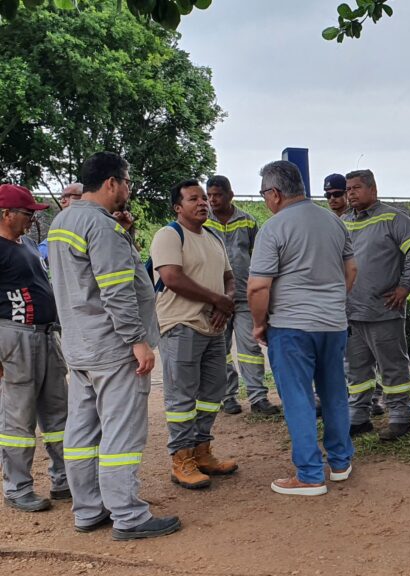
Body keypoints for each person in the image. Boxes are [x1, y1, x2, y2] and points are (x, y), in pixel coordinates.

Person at [48, 151, 180, 539]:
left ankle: (88, 509)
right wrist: (137, 341)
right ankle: (128, 516)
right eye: (126, 182)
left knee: (82, 432)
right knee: (121, 434)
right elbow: (116, 290)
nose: (128, 189)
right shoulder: (100, 227)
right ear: (111, 183)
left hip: (80, 344)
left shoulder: (63, 221)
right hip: (113, 348)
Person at [248, 160, 357, 496]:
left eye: (264, 193)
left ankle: (309, 475)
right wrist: (332, 302)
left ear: (276, 193)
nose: (265, 200)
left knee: (298, 398)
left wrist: (258, 323)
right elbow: (351, 270)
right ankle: (340, 463)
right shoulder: (334, 222)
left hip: (291, 326)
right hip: (333, 324)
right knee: (335, 393)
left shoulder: (274, 228)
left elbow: (257, 287)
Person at [152, 180, 239, 490]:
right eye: (193, 199)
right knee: (182, 398)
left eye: (204, 198)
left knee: (212, 393)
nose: (203, 202)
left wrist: (225, 303)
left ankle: (202, 451)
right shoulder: (169, 235)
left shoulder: (214, 237)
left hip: (214, 327)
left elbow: (229, 278)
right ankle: (181, 459)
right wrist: (217, 300)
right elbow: (172, 277)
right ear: (178, 207)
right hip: (180, 326)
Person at [343, 169, 410, 441]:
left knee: (392, 367)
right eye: (348, 189)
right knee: (357, 369)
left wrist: (406, 285)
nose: (351, 193)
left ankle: (400, 417)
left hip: (384, 310)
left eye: (356, 187)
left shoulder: (394, 218)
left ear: (373, 189)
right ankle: (359, 416)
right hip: (351, 312)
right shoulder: (343, 221)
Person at [0, 184, 68, 513]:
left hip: (45, 336)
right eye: (28, 214)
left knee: (58, 413)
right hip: (15, 339)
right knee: (18, 420)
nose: (32, 220)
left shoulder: (26, 243)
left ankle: (64, 479)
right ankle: (17, 488)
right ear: (6, 214)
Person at [205, 175, 279, 416]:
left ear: (230, 195)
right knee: (221, 350)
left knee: (251, 348)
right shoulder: (203, 222)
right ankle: (228, 397)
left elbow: (257, 255)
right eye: (210, 195)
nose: (212, 199)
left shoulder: (247, 221)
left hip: (245, 296)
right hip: (216, 298)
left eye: (217, 194)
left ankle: (258, 397)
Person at [324, 173, 384, 417]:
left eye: (338, 193)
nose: (334, 199)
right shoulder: (329, 222)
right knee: (348, 358)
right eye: (328, 195)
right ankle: (352, 401)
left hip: (369, 301)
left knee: (369, 358)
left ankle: (373, 399)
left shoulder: (371, 219)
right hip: (340, 302)